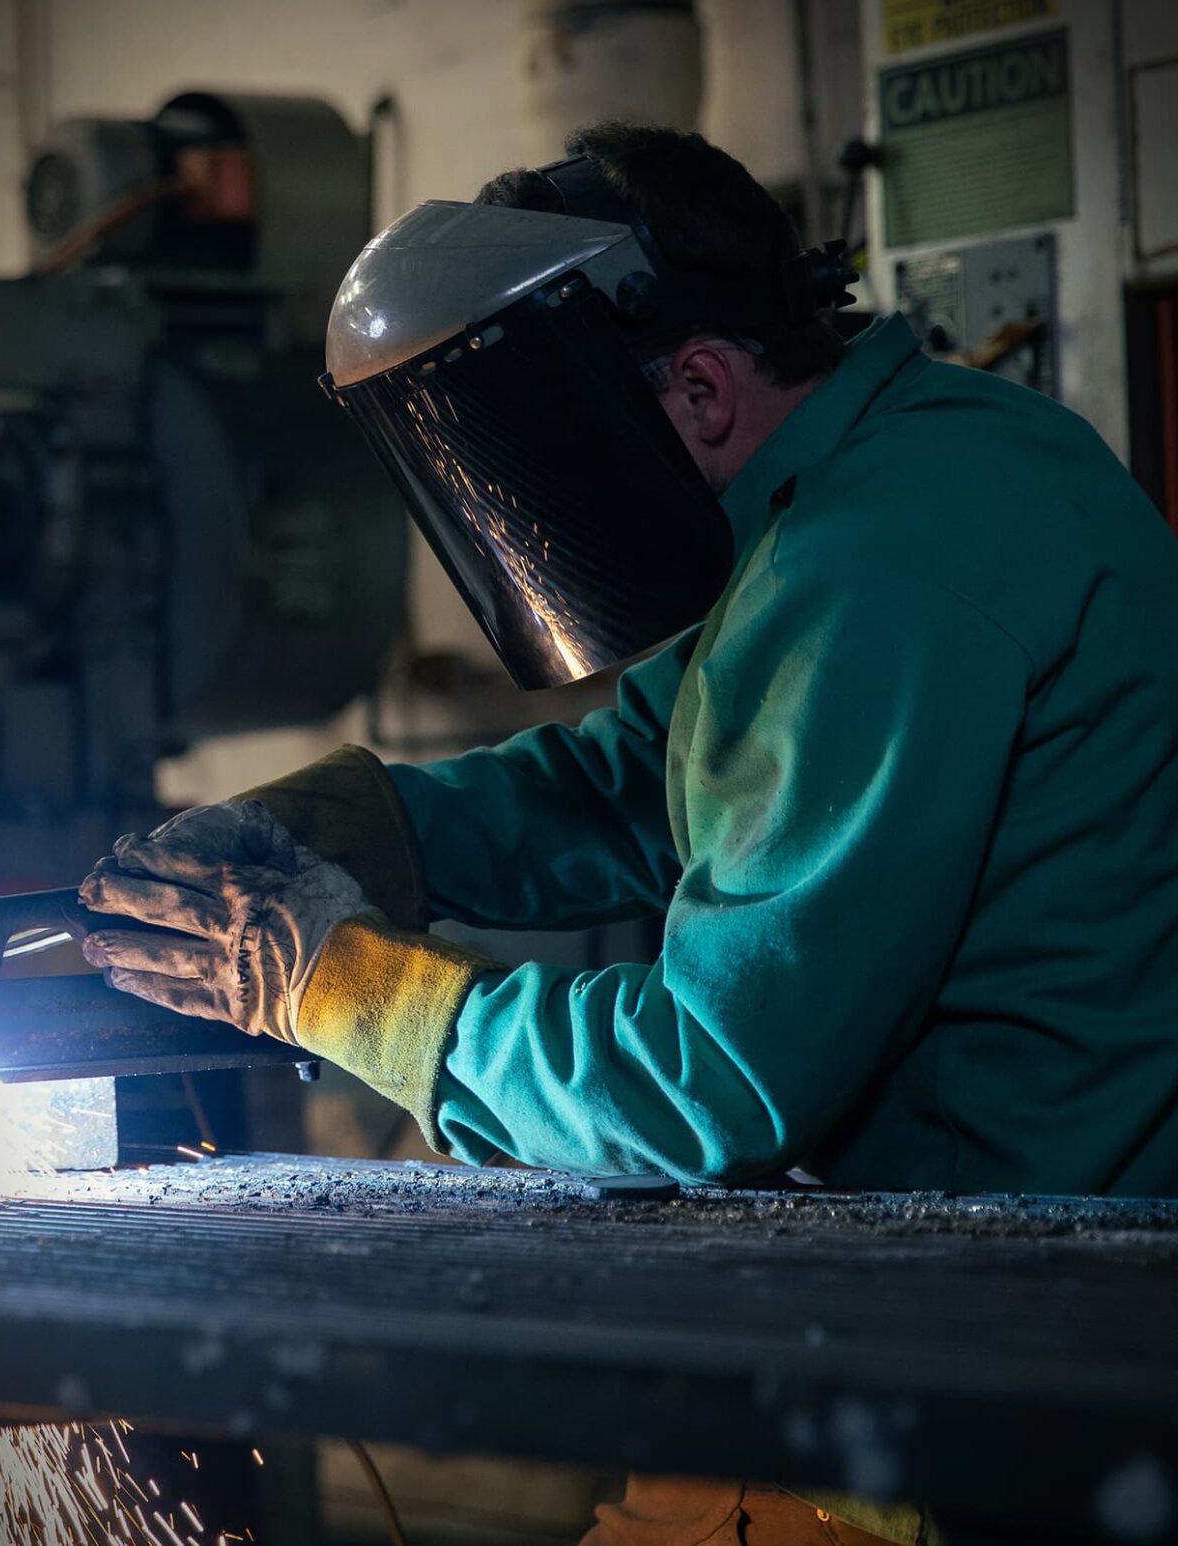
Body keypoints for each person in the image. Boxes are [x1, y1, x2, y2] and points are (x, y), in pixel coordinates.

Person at [75, 124, 1178, 1545]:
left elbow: (706, 1081)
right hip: (963, 1314)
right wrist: (366, 825)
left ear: (702, 386)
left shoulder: (871, 572)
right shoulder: (886, 475)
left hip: (1007, 1392)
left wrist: (339, 985)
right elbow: (629, 782)